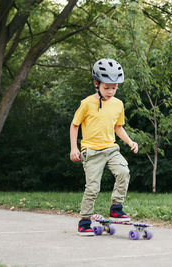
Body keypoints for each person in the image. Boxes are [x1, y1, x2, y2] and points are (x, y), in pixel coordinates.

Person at [69, 58, 138, 236]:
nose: (110, 91)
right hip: (91, 151)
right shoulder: (86, 103)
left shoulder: (118, 104)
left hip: (111, 149)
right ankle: (84, 221)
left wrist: (130, 142)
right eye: (106, 87)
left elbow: (118, 127)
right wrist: (74, 148)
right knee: (93, 187)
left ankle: (116, 207)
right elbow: (74, 125)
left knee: (124, 172)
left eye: (114, 87)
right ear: (96, 83)